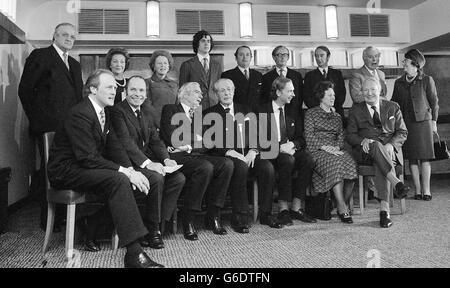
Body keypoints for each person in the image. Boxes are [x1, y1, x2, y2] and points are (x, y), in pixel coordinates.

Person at [47, 69, 163, 268]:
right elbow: (88, 157)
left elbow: (114, 146)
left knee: (146, 178)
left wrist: (132, 170)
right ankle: (134, 254)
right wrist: (125, 172)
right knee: (119, 179)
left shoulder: (105, 112)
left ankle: (91, 222)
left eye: (115, 87)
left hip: (86, 167)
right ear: (93, 89)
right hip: (66, 170)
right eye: (109, 87)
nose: (114, 91)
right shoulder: (80, 113)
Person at [18, 22, 83, 232]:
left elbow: (77, 98)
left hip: (71, 132)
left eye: (73, 37)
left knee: (69, 172)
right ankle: (49, 220)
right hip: (48, 129)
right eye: (65, 35)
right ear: (54, 35)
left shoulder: (74, 64)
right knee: (49, 173)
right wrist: (40, 125)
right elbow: (25, 91)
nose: (69, 39)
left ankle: (65, 217)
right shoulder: (40, 56)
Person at [110, 76, 185, 249]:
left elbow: (156, 141)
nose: (138, 94)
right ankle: (153, 230)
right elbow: (125, 142)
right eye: (133, 90)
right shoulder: (117, 111)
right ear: (126, 92)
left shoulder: (146, 112)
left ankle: (160, 224)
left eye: (141, 90)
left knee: (178, 178)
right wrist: (148, 164)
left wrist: (166, 159)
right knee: (157, 178)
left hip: (143, 163)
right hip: (128, 164)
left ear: (146, 94)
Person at [160, 82, 233, 239]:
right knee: (205, 167)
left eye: (201, 93)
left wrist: (189, 145)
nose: (201, 95)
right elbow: (172, 138)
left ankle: (213, 214)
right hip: (177, 158)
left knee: (226, 164)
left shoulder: (199, 114)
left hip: (197, 155)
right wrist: (193, 143)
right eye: (196, 92)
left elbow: (207, 143)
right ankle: (189, 218)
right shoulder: (170, 110)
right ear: (183, 94)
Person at [204, 78, 277, 232]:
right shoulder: (209, 114)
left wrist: (254, 150)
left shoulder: (246, 109)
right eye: (222, 90)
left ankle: (266, 213)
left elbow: (257, 134)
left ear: (234, 91)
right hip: (228, 155)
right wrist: (229, 151)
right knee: (240, 167)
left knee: (267, 168)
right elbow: (209, 141)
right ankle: (240, 215)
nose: (226, 93)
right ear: (216, 93)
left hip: (249, 154)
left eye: (229, 89)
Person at [346, 78, 410, 228]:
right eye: (365, 90)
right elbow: (350, 135)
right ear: (361, 92)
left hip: (389, 152)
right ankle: (396, 185)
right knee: (375, 145)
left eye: (373, 89)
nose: (369, 93)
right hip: (365, 152)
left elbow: (402, 132)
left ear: (380, 90)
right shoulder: (356, 109)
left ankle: (384, 211)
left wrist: (391, 145)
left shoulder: (393, 107)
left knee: (380, 157)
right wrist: (363, 141)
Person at [258, 77, 316, 227]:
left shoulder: (293, 110)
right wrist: (279, 148)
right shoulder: (262, 110)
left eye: (294, 91)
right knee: (287, 160)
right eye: (290, 91)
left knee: (308, 159)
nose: (294, 95)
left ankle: (296, 207)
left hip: (288, 150)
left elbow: (301, 138)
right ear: (278, 92)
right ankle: (283, 209)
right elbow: (259, 140)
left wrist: (293, 144)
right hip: (268, 153)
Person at [304, 81, 357, 223]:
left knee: (351, 164)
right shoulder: (311, 113)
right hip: (318, 150)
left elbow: (341, 136)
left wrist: (337, 148)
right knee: (335, 164)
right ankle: (342, 207)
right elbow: (309, 136)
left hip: (335, 150)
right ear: (321, 96)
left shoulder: (338, 116)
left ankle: (337, 203)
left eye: (333, 95)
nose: (333, 98)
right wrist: (325, 147)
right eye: (329, 95)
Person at [391, 49, 439, 201]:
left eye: (405, 61)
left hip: (424, 123)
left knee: (425, 158)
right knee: (411, 158)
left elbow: (434, 103)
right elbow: (394, 104)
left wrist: (434, 122)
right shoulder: (399, 82)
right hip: (406, 125)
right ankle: (418, 191)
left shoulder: (426, 80)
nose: (403, 63)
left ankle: (427, 190)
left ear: (415, 63)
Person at [179, 30, 223, 110]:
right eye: (203, 41)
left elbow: (219, 88)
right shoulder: (187, 65)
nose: (206, 43)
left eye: (208, 41)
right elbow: (183, 92)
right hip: (195, 108)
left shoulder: (217, 65)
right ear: (197, 44)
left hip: (215, 107)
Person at [304, 46, 346, 119]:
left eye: (321, 55)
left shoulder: (337, 74)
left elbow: (341, 94)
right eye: (316, 56)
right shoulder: (309, 76)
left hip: (336, 113)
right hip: (316, 115)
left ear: (328, 56)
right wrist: (321, 110)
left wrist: (331, 108)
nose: (318, 58)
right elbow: (307, 97)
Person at [260, 45, 303, 116]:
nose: (282, 57)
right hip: (273, 114)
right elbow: (264, 98)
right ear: (274, 57)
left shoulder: (297, 76)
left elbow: (300, 96)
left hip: (293, 114)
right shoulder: (266, 77)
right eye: (279, 55)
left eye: (285, 55)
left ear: (288, 57)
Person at [221, 46, 262, 112]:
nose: (244, 57)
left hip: (255, 113)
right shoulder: (227, 75)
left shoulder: (258, 75)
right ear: (236, 58)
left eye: (247, 55)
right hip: (237, 113)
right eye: (241, 55)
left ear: (251, 57)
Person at [145, 50, 179, 127]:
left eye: (165, 63)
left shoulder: (175, 84)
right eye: (159, 63)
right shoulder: (147, 82)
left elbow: (177, 106)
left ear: (169, 66)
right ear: (153, 66)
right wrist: (159, 123)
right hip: (154, 124)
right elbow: (147, 107)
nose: (162, 66)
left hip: (172, 124)